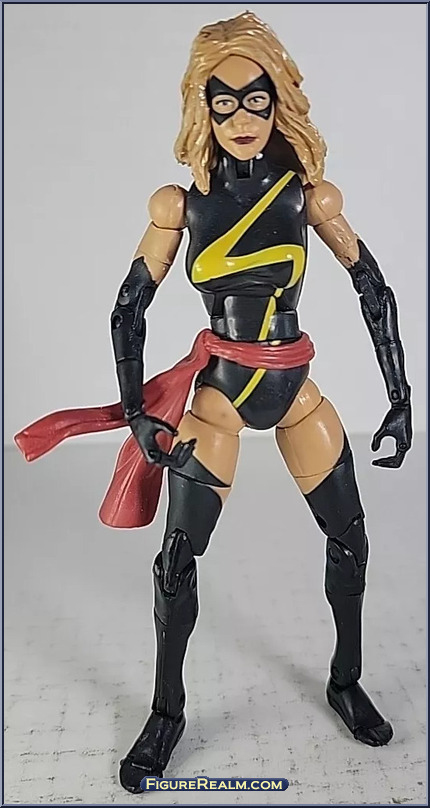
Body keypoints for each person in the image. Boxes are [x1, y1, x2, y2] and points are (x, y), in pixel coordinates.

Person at [15, 12, 412, 794]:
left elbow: (374, 288)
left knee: (351, 541)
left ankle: (345, 678)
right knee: (176, 563)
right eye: (223, 103)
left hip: (296, 392)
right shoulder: (181, 205)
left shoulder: (309, 198)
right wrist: (136, 408)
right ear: (202, 108)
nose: (240, 118)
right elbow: (128, 307)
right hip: (221, 399)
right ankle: (167, 712)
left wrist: (399, 396)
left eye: (255, 100)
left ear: (278, 102)